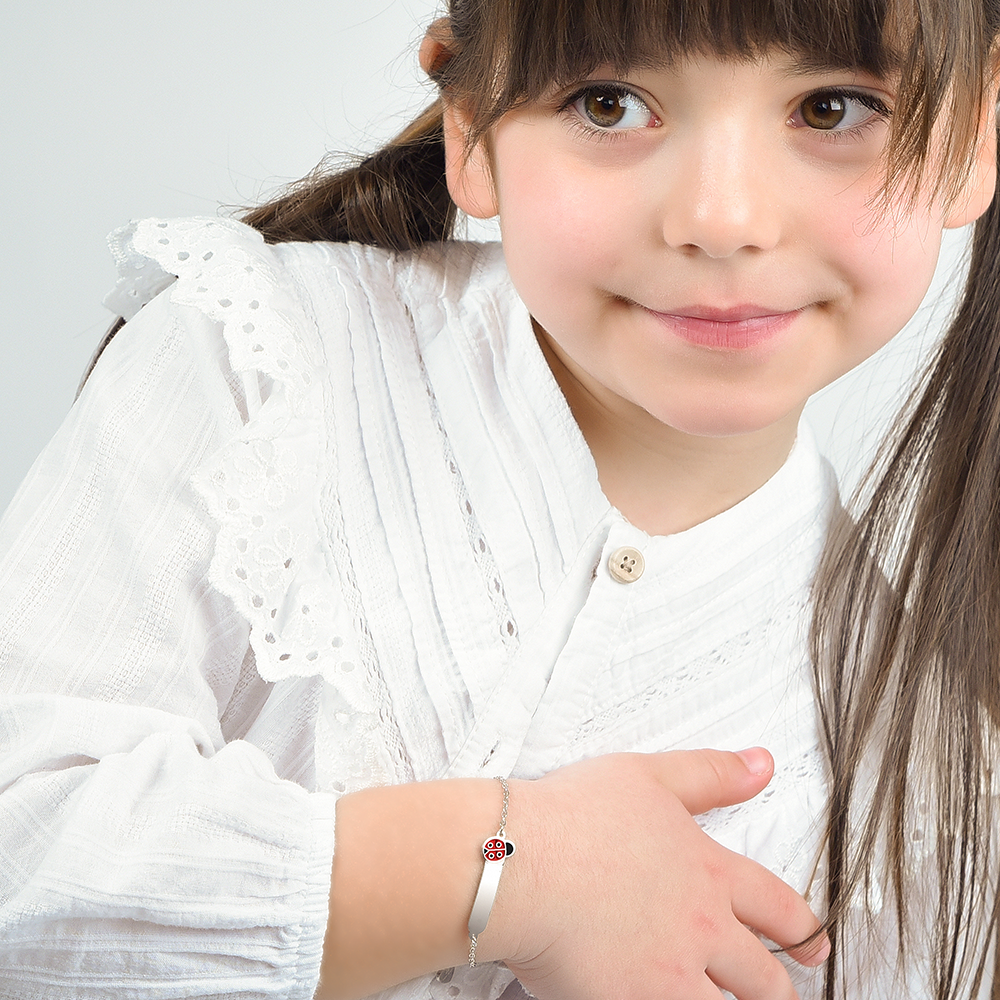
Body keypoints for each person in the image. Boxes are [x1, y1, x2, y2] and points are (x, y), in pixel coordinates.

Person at [0, 0, 998, 997]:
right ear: (471, 122)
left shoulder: (929, 787)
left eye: (831, 109)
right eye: (609, 104)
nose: (721, 218)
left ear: (977, 128)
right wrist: (514, 873)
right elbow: (23, 846)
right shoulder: (262, 361)